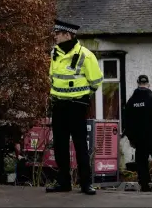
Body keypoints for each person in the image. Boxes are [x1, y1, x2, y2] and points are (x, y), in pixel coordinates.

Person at [45, 19, 103, 195]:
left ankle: (86, 184)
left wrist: (83, 97)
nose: (54, 36)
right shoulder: (54, 53)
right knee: (60, 146)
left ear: (68, 35)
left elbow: (96, 81)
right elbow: (52, 77)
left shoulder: (86, 55)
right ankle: (64, 182)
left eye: (58, 33)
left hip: (77, 105)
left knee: (80, 146)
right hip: (59, 105)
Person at [122, 75, 152, 192]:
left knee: (141, 162)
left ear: (137, 83)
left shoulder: (132, 100)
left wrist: (131, 138)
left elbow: (126, 121)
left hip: (139, 139)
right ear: (148, 84)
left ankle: (144, 185)